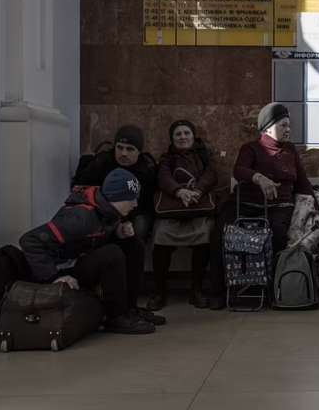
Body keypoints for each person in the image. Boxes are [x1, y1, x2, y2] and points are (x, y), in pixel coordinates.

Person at [208, 103, 319, 310]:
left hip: (279, 205)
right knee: (219, 234)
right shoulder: (251, 148)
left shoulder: (290, 150)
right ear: (268, 127)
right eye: (283, 125)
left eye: (289, 126)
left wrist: (315, 208)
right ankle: (216, 291)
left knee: (278, 234)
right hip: (245, 203)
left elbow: (303, 183)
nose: (288, 129)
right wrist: (259, 178)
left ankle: (276, 289)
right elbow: (239, 170)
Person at [19, 169, 158, 334]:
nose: (135, 204)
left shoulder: (108, 210)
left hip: (80, 260)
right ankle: (116, 316)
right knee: (112, 253)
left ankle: (129, 309)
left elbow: (94, 237)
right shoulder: (80, 217)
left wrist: (118, 233)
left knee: (133, 245)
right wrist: (54, 276)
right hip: (63, 271)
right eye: (131, 199)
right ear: (115, 197)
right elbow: (29, 240)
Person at [72, 125, 157, 310]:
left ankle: (130, 303)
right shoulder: (102, 162)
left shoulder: (147, 167)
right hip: (102, 213)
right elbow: (80, 190)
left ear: (139, 152)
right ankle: (114, 297)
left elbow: (148, 203)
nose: (123, 153)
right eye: (120, 147)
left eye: (130, 149)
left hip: (135, 212)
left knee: (136, 237)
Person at [148, 120, 218, 311]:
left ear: (193, 136)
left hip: (198, 207)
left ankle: (196, 290)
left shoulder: (203, 156)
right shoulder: (166, 159)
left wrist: (197, 191)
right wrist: (179, 192)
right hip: (172, 209)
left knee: (205, 235)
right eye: (178, 134)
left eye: (186, 133)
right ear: (172, 139)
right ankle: (159, 291)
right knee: (160, 238)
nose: (183, 137)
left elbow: (211, 174)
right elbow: (163, 178)